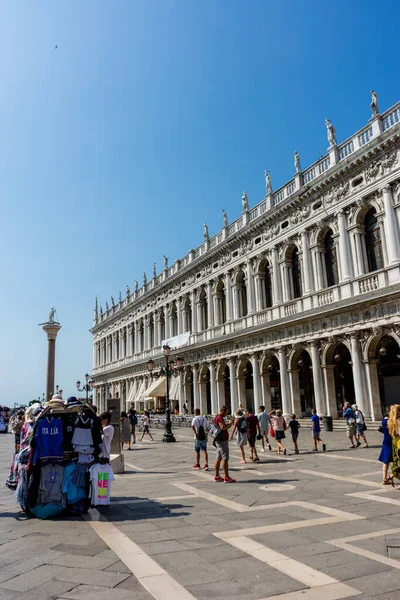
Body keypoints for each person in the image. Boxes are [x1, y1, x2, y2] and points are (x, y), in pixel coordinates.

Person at [214, 405, 236, 483]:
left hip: (218, 440)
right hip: (222, 440)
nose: (227, 413)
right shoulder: (220, 417)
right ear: (223, 411)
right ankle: (226, 477)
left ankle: (217, 476)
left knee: (218, 458)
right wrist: (230, 424)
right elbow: (222, 427)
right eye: (227, 412)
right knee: (225, 459)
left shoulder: (217, 417)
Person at [379, 407, 393, 485]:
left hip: (386, 441)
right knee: (397, 462)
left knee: (386, 462)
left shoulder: (384, 420)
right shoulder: (389, 421)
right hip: (390, 442)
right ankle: (390, 477)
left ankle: (385, 479)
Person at [388, 404, 400, 486]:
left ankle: (392, 475)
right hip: (399, 440)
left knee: (396, 459)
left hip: (394, 440)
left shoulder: (390, 421)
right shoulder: (398, 421)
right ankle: (393, 475)